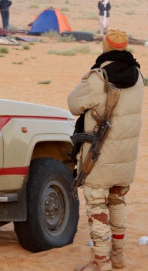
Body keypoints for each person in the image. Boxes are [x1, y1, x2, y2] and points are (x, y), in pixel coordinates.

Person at [68, 30, 142, 271]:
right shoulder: (138, 76)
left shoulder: (98, 77)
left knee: (97, 208)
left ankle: (101, 263)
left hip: (99, 157)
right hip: (125, 157)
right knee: (118, 202)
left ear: (105, 47)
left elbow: (73, 105)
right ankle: (118, 257)